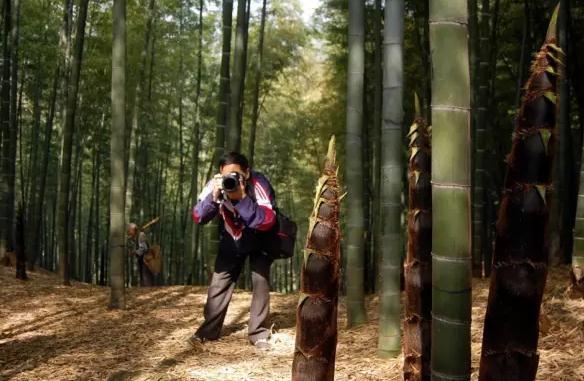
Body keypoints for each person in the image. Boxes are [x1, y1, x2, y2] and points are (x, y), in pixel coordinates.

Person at [190, 152, 276, 350]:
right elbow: (198, 216)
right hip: (232, 237)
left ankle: (259, 333)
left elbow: (267, 220)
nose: (230, 180)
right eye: (225, 176)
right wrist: (213, 197)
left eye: (235, 175)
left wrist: (242, 199)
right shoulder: (215, 184)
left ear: (246, 172)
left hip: (260, 239)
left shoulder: (258, 183)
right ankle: (207, 332)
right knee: (218, 284)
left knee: (260, 282)